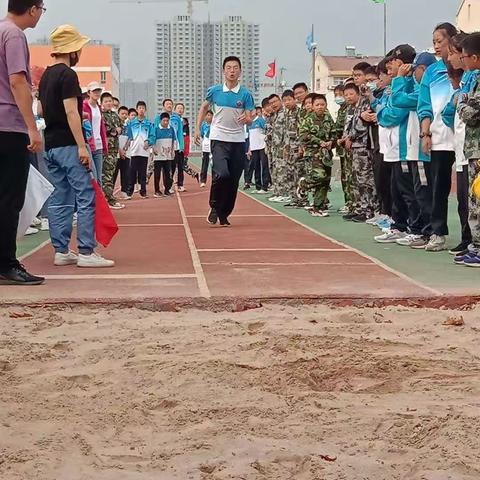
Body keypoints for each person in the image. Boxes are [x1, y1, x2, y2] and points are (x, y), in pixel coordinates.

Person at [38, 24, 114, 268]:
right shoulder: (68, 75)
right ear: (72, 51)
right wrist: (82, 146)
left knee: (60, 196)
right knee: (85, 194)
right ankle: (86, 250)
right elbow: (72, 111)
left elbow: (40, 110)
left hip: (51, 145)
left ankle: (61, 250)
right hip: (70, 145)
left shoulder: (47, 75)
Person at [0, 0, 45, 285]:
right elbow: (18, 81)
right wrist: (32, 128)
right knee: (9, 199)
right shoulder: (14, 35)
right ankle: (6, 263)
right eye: (41, 9)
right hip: (9, 127)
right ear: (32, 8)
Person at [195, 55, 255, 226]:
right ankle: (214, 207)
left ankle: (224, 213)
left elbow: (250, 117)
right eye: (229, 68)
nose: (232, 71)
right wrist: (197, 128)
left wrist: (247, 118)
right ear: (223, 71)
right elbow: (204, 107)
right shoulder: (215, 91)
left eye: (235, 68)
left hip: (238, 140)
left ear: (240, 71)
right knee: (222, 174)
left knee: (234, 179)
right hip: (219, 139)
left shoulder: (245, 94)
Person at [418, 22, 458, 252]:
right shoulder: (432, 72)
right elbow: (424, 105)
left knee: (466, 191)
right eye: (433, 41)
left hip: (464, 138)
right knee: (438, 188)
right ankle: (438, 232)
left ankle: (470, 236)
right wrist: (426, 133)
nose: (436, 46)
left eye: (439, 41)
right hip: (440, 138)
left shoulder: (467, 68)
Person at [446, 33, 475, 256]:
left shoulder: (474, 80)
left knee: (474, 200)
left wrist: (462, 102)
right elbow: (450, 112)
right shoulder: (465, 81)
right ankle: (471, 241)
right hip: (465, 147)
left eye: (459, 54)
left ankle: (474, 242)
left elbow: (471, 113)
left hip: (474, 147)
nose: (458, 59)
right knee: (467, 200)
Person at [455, 32, 480, 266]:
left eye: (464, 57)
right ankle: (476, 245)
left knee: (479, 199)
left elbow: (472, 114)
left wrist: (461, 103)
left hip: (479, 150)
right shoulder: (474, 79)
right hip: (473, 149)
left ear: (475, 57)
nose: (462, 61)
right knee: (474, 199)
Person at [343, 82, 377, 222]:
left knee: (366, 180)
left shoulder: (365, 104)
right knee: (357, 179)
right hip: (355, 147)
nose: (348, 97)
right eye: (346, 95)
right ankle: (362, 207)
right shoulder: (352, 108)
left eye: (351, 94)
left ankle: (370, 209)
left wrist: (351, 136)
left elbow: (362, 125)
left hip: (363, 146)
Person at [298, 94, 335, 217]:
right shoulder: (308, 119)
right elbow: (303, 136)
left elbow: (334, 133)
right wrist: (319, 141)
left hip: (326, 154)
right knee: (319, 176)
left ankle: (317, 207)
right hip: (313, 153)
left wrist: (331, 142)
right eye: (317, 105)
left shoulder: (328, 119)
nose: (320, 107)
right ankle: (304, 185)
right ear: (312, 106)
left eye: (322, 104)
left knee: (325, 181)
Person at [125, 100, 155, 199]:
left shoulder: (149, 124)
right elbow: (128, 136)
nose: (141, 110)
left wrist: (149, 142)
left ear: (145, 110)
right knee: (132, 172)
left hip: (144, 152)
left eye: (143, 108)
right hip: (133, 151)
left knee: (143, 172)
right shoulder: (131, 123)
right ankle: (129, 192)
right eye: (139, 108)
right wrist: (126, 146)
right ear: (137, 109)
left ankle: (143, 191)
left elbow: (152, 136)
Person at [100, 91, 124, 209]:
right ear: (102, 103)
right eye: (106, 101)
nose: (109, 103)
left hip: (114, 148)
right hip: (106, 148)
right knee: (107, 174)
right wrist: (114, 130)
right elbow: (105, 129)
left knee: (111, 172)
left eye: (110, 101)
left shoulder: (114, 115)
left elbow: (121, 126)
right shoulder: (101, 115)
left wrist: (119, 130)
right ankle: (109, 199)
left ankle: (108, 197)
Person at [334, 85, 354, 214]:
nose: (340, 97)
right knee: (344, 176)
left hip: (350, 146)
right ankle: (348, 202)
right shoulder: (342, 109)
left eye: (341, 93)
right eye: (337, 94)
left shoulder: (350, 108)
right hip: (341, 147)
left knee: (351, 176)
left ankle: (353, 203)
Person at [83, 81, 107, 185]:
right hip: (88, 145)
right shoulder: (84, 106)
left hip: (99, 145)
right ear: (89, 93)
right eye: (94, 91)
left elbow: (101, 127)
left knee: (99, 179)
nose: (97, 93)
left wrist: (104, 145)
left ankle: (100, 201)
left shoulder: (99, 108)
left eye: (99, 91)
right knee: (92, 176)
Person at [282, 89, 302, 207]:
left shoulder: (299, 113)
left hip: (297, 148)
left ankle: (301, 199)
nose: (287, 103)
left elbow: (301, 130)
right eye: (285, 101)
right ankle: (294, 198)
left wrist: (300, 146)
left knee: (298, 174)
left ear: (294, 99)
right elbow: (285, 132)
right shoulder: (286, 114)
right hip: (288, 148)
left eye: (289, 100)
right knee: (289, 174)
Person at [268, 93, 289, 203]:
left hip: (283, 146)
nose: (273, 104)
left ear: (280, 101)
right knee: (275, 170)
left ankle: (284, 193)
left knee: (282, 170)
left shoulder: (285, 113)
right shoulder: (274, 115)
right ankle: (277, 191)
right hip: (274, 147)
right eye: (271, 103)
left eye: (275, 101)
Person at [248, 102, 269, 194]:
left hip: (262, 146)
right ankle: (258, 186)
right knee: (256, 166)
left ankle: (265, 187)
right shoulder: (249, 122)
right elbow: (250, 136)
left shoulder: (260, 120)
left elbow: (267, 131)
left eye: (252, 110)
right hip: (254, 147)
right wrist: (249, 148)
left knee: (264, 166)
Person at [153, 112, 175, 197]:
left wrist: (172, 150)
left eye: (167, 120)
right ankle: (157, 190)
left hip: (168, 156)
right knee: (157, 174)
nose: (166, 122)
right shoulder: (156, 129)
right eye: (164, 120)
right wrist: (154, 149)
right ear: (160, 120)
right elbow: (153, 140)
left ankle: (167, 190)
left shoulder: (171, 129)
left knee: (167, 174)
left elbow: (173, 140)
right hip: (158, 155)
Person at [113, 105, 130, 200]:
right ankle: (110, 192)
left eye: (126, 114)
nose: (124, 115)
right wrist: (120, 151)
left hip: (126, 153)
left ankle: (124, 192)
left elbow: (130, 138)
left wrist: (125, 149)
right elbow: (115, 139)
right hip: (116, 153)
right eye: (122, 113)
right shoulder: (115, 126)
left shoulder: (128, 126)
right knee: (113, 173)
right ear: (118, 114)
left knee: (126, 173)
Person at [172, 103, 186, 191]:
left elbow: (181, 134)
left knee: (180, 166)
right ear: (175, 109)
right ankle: (168, 184)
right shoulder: (172, 118)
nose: (180, 110)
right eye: (178, 108)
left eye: (182, 108)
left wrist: (182, 146)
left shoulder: (182, 120)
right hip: (171, 146)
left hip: (179, 146)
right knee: (171, 166)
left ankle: (180, 184)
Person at [200, 110, 213, 187]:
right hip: (205, 147)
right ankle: (203, 180)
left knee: (214, 165)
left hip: (214, 147)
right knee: (205, 164)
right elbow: (202, 135)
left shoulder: (215, 125)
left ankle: (214, 180)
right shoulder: (203, 125)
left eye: (210, 115)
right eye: (207, 115)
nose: (208, 116)